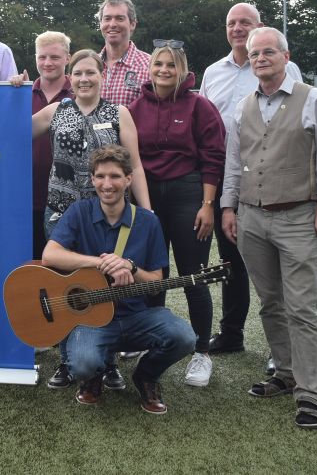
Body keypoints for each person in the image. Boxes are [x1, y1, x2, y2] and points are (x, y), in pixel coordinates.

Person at [221, 26, 317, 430]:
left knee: (302, 308)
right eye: (255, 53)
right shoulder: (244, 106)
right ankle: (285, 371)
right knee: (271, 302)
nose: (260, 58)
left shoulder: (314, 98)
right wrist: (229, 206)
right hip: (252, 216)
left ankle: (309, 394)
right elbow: (234, 162)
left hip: (297, 216)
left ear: (285, 56)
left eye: (268, 52)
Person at [29, 48, 151, 391]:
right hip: (61, 214)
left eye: (91, 73)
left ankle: (107, 362)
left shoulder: (119, 113)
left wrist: (146, 209)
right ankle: (68, 362)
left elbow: (135, 165)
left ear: (102, 76)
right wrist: (10, 89)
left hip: (108, 216)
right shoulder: (55, 111)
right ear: (71, 76)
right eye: (78, 73)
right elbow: (11, 131)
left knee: (106, 286)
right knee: (64, 287)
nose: (84, 79)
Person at [43, 145, 195, 415]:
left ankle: (146, 376)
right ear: (92, 180)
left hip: (135, 316)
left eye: (114, 176)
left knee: (184, 336)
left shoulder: (148, 222)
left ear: (128, 179)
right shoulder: (79, 212)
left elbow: (156, 278)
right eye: (100, 176)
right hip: (91, 319)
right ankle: (94, 376)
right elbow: (50, 256)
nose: (107, 184)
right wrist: (102, 263)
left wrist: (131, 268)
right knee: (83, 364)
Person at [200, 3, 303, 360]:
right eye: (232, 22)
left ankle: (283, 348)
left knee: (275, 269)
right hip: (228, 180)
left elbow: (300, 123)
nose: (238, 28)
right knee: (232, 262)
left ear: (260, 26)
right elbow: (207, 127)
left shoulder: (285, 68)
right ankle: (232, 333)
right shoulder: (213, 72)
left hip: (275, 183)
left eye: (246, 22)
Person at [127, 39, 226, 388]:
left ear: (183, 70)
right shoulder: (136, 108)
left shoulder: (200, 106)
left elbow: (214, 157)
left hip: (188, 195)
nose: (164, 71)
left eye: (171, 65)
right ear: (149, 68)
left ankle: (201, 351)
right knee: (154, 276)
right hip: (148, 198)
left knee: (192, 276)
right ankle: (153, 343)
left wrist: (208, 205)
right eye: (158, 65)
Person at [29, 31, 73, 258]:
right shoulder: (19, 94)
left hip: (69, 203)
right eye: (42, 57)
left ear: (68, 58)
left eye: (54, 57)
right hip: (27, 199)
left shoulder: (80, 94)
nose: (47, 63)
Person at [97, 0, 152, 106]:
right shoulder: (89, 65)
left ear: (132, 24)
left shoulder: (150, 66)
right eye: (107, 18)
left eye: (119, 18)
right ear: (100, 24)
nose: (112, 24)